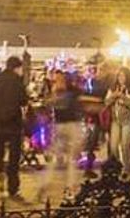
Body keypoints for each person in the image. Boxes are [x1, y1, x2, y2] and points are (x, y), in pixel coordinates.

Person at [0, 55, 29, 198]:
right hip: (13, 123)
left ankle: (0, 168)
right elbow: (24, 101)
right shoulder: (18, 81)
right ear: (17, 67)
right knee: (14, 156)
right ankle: (13, 186)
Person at [44, 70, 84, 200]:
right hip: (61, 126)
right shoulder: (57, 92)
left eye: (59, 79)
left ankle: (70, 188)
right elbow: (49, 106)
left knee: (71, 160)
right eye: (55, 80)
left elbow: (80, 102)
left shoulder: (72, 92)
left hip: (72, 126)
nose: (57, 82)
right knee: (56, 158)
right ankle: (46, 185)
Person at [105, 67, 130, 174]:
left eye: (123, 76)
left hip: (127, 120)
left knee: (125, 145)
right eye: (119, 76)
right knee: (113, 146)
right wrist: (114, 96)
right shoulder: (113, 88)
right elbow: (106, 102)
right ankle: (117, 166)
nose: (121, 78)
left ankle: (127, 167)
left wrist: (123, 97)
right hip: (115, 120)